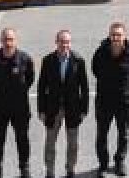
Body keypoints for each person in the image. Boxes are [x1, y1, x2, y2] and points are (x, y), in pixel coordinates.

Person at [91, 21, 129, 176]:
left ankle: (120, 162)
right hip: (103, 102)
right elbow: (95, 70)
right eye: (113, 35)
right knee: (101, 134)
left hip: (124, 103)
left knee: (123, 134)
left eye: (119, 35)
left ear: (124, 36)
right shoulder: (100, 52)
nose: (115, 38)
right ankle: (103, 164)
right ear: (109, 36)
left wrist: (124, 90)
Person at [38, 30, 90, 178]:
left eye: (67, 42)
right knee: (50, 143)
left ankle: (70, 169)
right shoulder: (47, 61)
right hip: (52, 109)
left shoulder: (79, 61)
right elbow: (41, 87)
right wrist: (41, 110)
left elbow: (84, 87)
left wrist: (84, 109)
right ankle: (50, 171)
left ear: (70, 43)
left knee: (73, 144)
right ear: (56, 42)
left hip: (73, 108)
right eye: (61, 41)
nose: (64, 45)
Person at [0, 28, 35, 178]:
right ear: (1, 41)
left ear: (15, 41)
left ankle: (24, 167)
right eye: (5, 39)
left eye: (11, 39)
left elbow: (30, 79)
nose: (8, 43)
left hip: (20, 108)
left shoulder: (25, 59)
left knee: (22, 139)